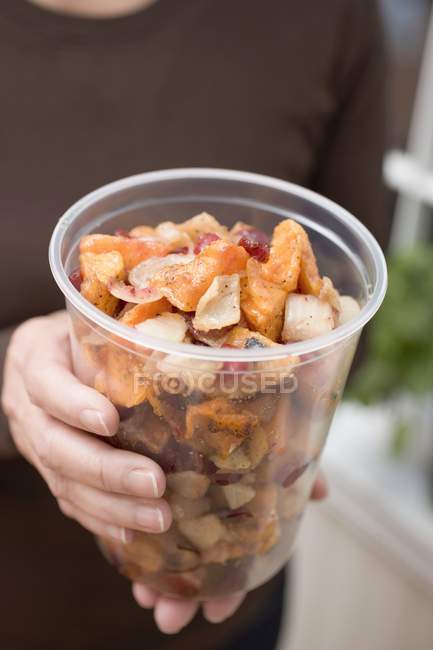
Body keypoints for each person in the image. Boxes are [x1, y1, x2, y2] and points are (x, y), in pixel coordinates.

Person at [0, 0, 389, 648]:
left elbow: (350, 306)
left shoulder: (328, 16)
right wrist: (9, 374)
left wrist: (291, 417)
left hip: (238, 593)